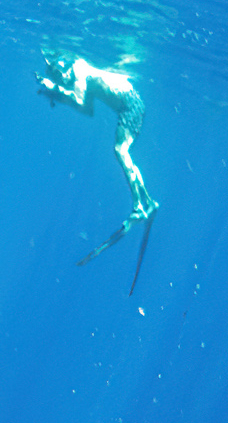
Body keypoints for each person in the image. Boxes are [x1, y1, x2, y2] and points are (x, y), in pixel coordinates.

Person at [40, 52, 156, 275]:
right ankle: (146, 203)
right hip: (131, 103)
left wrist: (54, 90)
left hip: (129, 104)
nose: (61, 80)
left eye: (59, 75)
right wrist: (55, 91)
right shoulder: (80, 70)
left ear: (62, 67)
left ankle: (140, 206)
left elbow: (80, 103)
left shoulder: (79, 70)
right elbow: (87, 109)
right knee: (122, 151)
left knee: (120, 151)